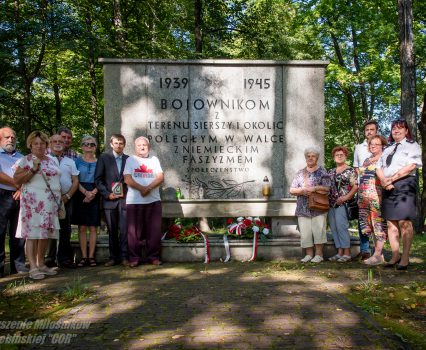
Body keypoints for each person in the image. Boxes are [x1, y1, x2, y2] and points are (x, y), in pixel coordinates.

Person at [14, 131, 60, 280]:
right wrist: (33, 169)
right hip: (32, 203)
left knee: (45, 234)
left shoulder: (52, 160)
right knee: (32, 235)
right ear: (30, 145)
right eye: (36, 144)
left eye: (42, 143)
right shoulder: (25, 160)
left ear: (46, 145)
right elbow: (17, 180)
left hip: (50, 202)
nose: (39, 146)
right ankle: (32, 266)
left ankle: (41, 263)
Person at [377, 119, 422, 270]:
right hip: (387, 185)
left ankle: (405, 257)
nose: (395, 131)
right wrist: (384, 180)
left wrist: (391, 179)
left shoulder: (413, 146)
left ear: (406, 130)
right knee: (391, 223)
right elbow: (379, 167)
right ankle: (395, 256)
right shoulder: (388, 148)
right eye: (393, 129)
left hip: (405, 184)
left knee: (404, 222)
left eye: (399, 128)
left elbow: (411, 166)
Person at [124, 136, 164, 267]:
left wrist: (148, 188)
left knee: (154, 231)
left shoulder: (154, 160)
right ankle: (134, 258)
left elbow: (160, 177)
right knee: (133, 232)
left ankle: (153, 257)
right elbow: (127, 178)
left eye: (144, 145)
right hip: (134, 201)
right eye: (139, 145)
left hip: (153, 200)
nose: (142, 147)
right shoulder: (131, 160)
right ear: (135, 147)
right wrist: (142, 189)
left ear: (149, 147)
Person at [289, 147, 330, 263]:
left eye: (313, 156)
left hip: (318, 207)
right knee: (305, 232)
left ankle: (319, 255)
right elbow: (292, 190)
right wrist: (302, 191)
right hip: (303, 208)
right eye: (308, 156)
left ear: (317, 158)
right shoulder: (300, 173)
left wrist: (314, 188)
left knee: (318, 231)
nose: (310, 158)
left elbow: (327, 188)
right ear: (305, 158)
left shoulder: (322, 172)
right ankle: (308, 254)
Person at [45, 134, 79, 268]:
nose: (58, 143)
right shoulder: (45, 160)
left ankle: (64, 258)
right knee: (50, 228)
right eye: (55, 141)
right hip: (48, 199)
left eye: (61, 141)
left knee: (65, 229)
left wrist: (68, 196)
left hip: (66, 199)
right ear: (49, 143)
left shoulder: (70, 161)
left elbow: (75, 181)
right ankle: (49, 258)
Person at [95, 134, 129, 267]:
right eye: (116, 143)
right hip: (109, 200)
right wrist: (107, 194)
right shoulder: (104, 158)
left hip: (125, 199)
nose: (118, 145)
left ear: (124, 145)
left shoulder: (129, 159)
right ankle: (113, 257)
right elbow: (98, 179)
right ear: (111, 144)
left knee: (125, 230)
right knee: (112, 230)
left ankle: (125, 257)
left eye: (121, 143)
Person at [0, 127, 27, 277]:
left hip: (20, 196)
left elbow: (28, 176)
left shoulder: (22, 157)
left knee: (19, 233)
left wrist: (21, 188)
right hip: (2, 196)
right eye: (7, 137)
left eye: (13, 137)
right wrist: (17, 184)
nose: (10, 139)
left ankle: (18, 266)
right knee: (0, 232)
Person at [358, 135, 388, 266]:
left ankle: (377, 255)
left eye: (376, 144)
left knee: (379, 225)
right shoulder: (367, 159)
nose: (373, 146)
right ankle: (378, 255)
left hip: (377, 197)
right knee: (369, 226)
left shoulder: (384, 158)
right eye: (371, 144)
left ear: (382, 145)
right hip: (364, 198)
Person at [72, 135, 100, 267]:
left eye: (92, 144)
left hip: (95, 193)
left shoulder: (99, 162)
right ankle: (83, 256)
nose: (89, 146)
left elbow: (101, 180)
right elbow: (74, 180)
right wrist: (85, 193)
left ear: (96, 147)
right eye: (86, 144)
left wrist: (93, 193)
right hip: (80, 193)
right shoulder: (76, 161)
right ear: (82, 146)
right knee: (82, 227)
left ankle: (91, 256)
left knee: (93, 227)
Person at [353, 120, 379, 260]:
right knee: (362, 219)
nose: (369, 132)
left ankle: (378, 250)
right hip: (363, 188)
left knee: (377, 219)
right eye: (367, 129)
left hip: (377, 187)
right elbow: (356, 167)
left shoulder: (382, 146)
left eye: (372, 129)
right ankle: (365, 249)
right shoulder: (359, 147)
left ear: (376, 131)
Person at [327, 146, 358, 263]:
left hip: (343, 204)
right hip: (331, 204)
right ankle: (339, 252)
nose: (339, 156)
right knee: (334, 228)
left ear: (345, 156)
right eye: (337, 155)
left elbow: (356, 186)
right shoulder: (330, 171)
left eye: (341, 155)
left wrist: (346, 197)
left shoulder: (350, 170)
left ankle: (347, 253)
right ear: (334, 157)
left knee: (342, 227)